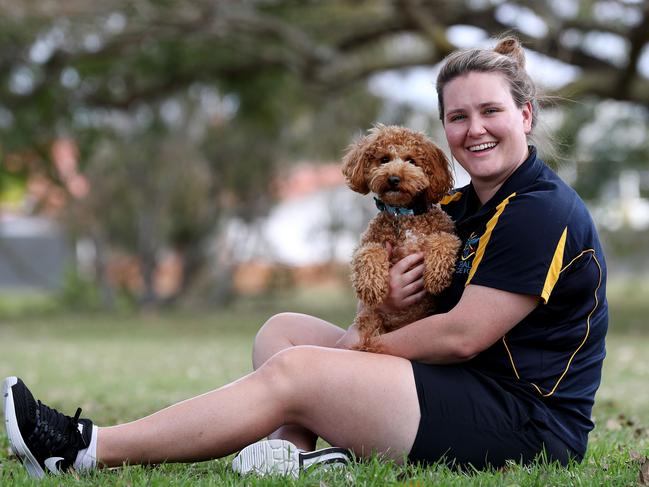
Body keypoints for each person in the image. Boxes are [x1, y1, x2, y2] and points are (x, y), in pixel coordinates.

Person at [2, 35, 607, 478]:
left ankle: (85, 448)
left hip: (525, 423)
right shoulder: (459, 202)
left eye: (491, 111)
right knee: (283, 330)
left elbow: (461, 337)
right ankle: (297, 454)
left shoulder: (540, 209)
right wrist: (391, 299)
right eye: (458, 116)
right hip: (453, 386)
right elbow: (417, 310)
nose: (474, 129)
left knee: (301, 369)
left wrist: (348, 352)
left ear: (525, 115)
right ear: (443, 129)